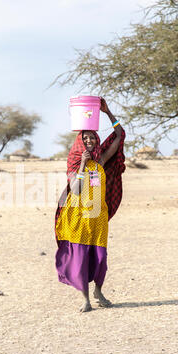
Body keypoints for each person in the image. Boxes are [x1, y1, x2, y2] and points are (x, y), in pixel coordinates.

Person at [55, 97, 126, 312]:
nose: (89, 141)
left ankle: (98, 291)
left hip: (98, 216)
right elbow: (75, 189)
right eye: (85, 138)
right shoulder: (75, 162)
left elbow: (120, 135)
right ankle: (85, 299)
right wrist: (84, 164)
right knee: (82, 258)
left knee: (100, 256)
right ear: (79, 142)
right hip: (78, 217)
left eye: (92, 138)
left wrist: (107, 112)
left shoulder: (102, 160)